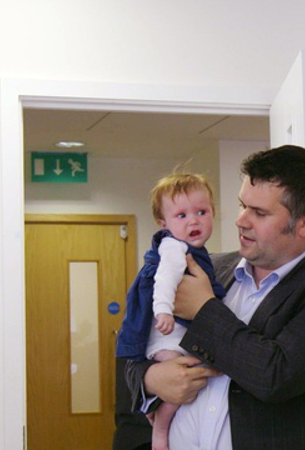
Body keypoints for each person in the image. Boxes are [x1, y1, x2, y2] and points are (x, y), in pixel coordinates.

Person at [120, 145, 305, 449]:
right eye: (242, 205)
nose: (241, 220)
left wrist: (204, 308)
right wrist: (152, 380)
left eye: (259, 213)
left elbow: (275, 376)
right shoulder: (208, 268)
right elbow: (141, 348)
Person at [115, 172, 227, 450]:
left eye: (201, 212)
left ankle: (156, 413)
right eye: (181, 215)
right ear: (163, 223)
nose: (193, 221)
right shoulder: (174, 248)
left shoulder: (201, 255)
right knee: (187, 378)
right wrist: (164, 310)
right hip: (167, 339)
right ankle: (160, 431)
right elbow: (165, 279)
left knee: (189, 378)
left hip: (174, 337)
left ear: (213, 212)